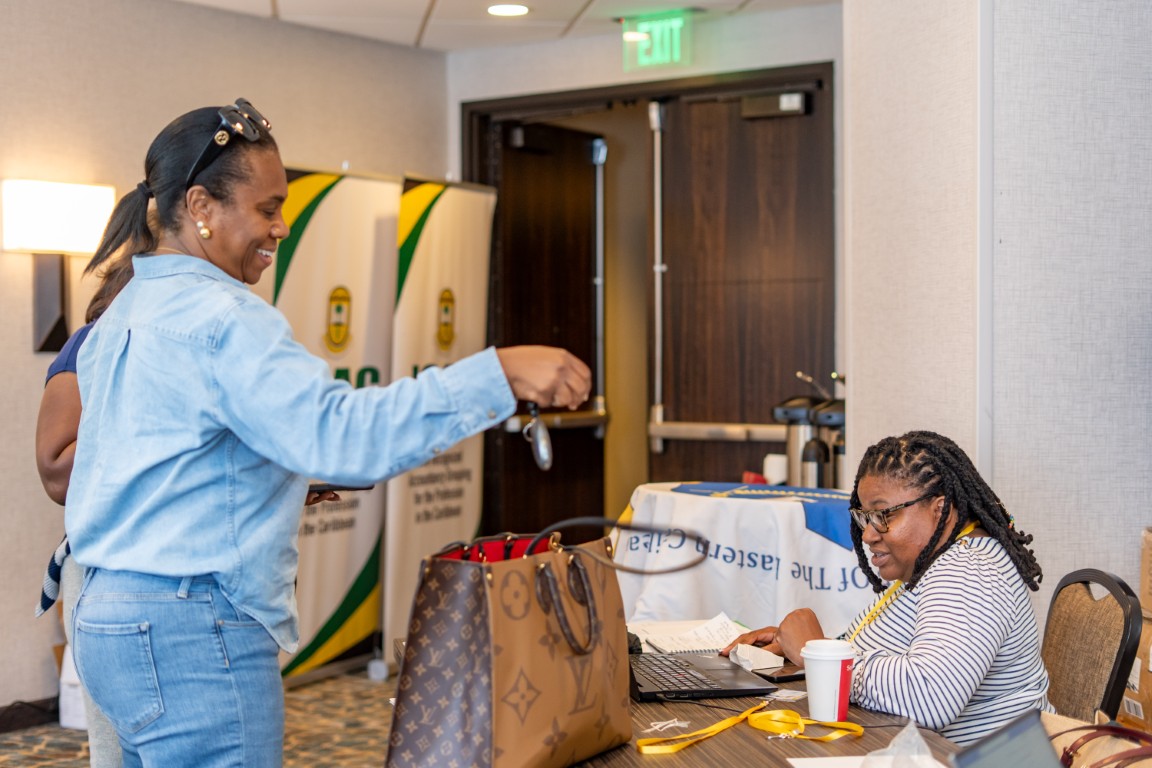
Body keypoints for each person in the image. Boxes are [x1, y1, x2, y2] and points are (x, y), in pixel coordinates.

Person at [65, 98, 592, 767]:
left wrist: (272, 479)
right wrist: (498, 374)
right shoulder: (223, 318)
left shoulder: (124, 311)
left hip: (109, 616)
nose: (281, 228)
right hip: (192, 631)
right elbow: (343, 437)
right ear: (200, 206)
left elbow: (155, 459)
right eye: (267, 208)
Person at [722, 430, 1051, 745]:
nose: (868, 535)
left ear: (940, 510)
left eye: (883, 516)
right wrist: (795, 644)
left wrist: (817, 653)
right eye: (865, 517)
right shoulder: (933, 564)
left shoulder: (969, 570)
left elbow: (930, 696)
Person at [35, 255, 134, 768]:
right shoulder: (89, 346)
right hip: (108, 568)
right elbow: (56, 471)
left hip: (187, 577)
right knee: (116, 747)